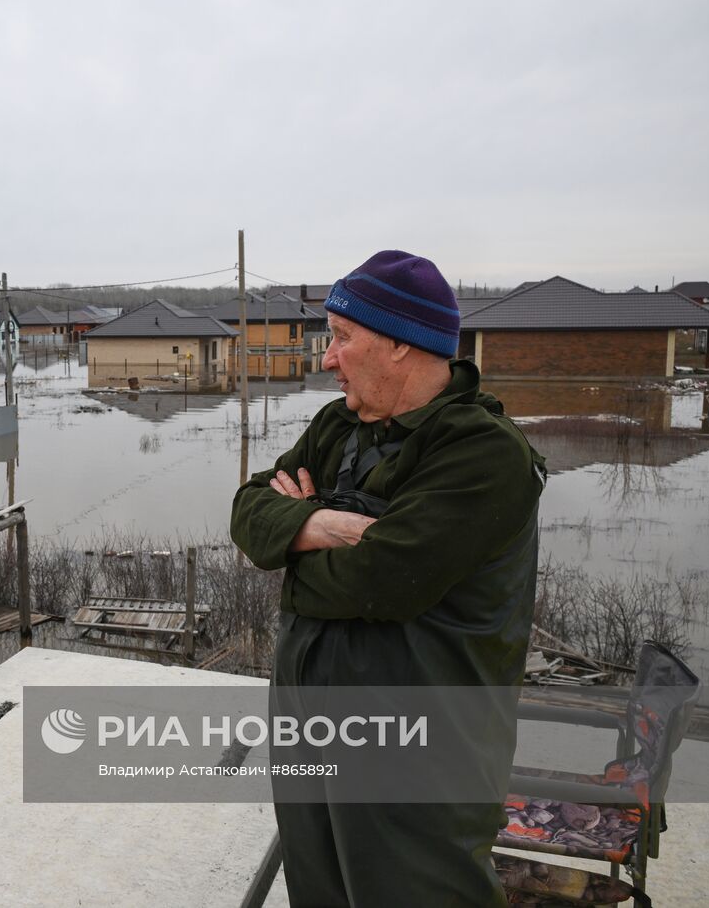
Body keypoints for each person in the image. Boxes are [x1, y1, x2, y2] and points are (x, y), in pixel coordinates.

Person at [230, 250, 546, 907]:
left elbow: (383, 580)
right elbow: (248, 512)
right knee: (319, 890)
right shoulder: (338, 427)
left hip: (416, 761)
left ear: (402, 343)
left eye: (343, 338)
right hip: (308, 736)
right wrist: (330, 526)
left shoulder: (485, 453)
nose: (326, 358)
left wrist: (297, 542)